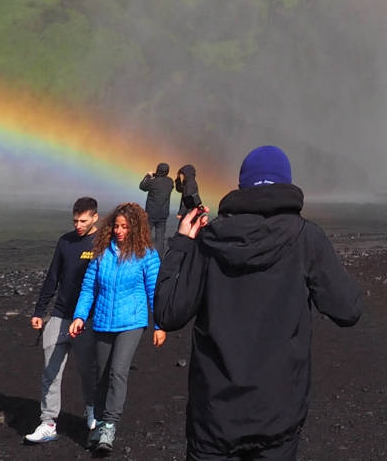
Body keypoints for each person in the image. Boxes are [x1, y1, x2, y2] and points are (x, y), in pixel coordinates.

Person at [154, 144, 363, 461]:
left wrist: (182, 243)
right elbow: (348, 310)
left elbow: (168, 313)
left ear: (242, 186)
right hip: (277, 414)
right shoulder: (307, 238)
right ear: (286, 185)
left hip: (213, 415)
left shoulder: (210, 240)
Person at [68, 201, 164, 455]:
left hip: (132, 322)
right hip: (101, 321)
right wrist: (79, 316)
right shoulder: (102, 252)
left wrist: (160, 324)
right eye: (116, 226)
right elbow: (89, 288)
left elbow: (154, 291)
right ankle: (98, 424)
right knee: (101, 374)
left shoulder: (146, 254)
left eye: (125, 226)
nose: (120, 231)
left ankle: (110, 426)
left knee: (118, 372)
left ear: (135, 228)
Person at [25, 197, 101, 444]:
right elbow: (52, 278)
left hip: (88, 320)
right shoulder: (65, 241)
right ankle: (48, 422)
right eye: (75, 220)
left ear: (95, 218)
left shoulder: (103, 243)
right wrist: (39, 311)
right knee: (50, 371)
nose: (78, 225)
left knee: (87, 370)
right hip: (59, 314)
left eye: (83, 220)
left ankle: (91, 409)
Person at [139, 164, 173, 248]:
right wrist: (156, 175)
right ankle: (159, 257)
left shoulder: (153, 181)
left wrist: (147, 176)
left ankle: (143, 254)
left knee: (146, 235)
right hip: (163, 214)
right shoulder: (170, 181)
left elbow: (142, 186)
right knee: (160, 238)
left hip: (151, 213)